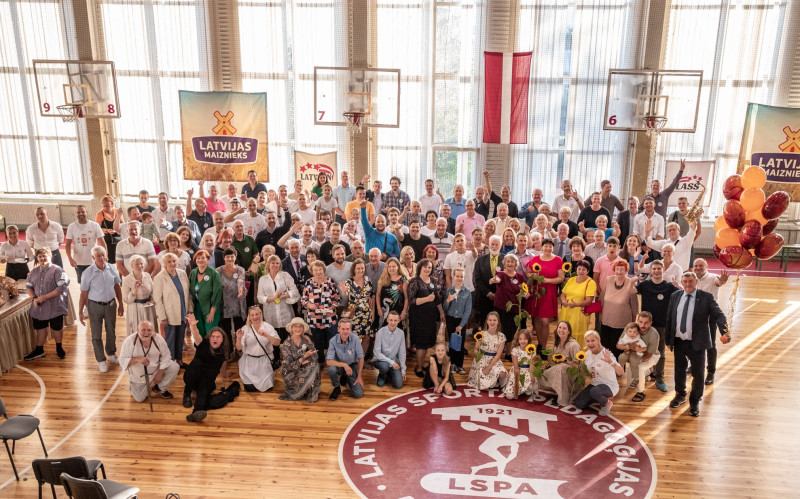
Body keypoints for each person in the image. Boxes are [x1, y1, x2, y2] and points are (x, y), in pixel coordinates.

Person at [665, 271, 729, 417]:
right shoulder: (675, 296)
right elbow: (670, 317)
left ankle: (694, 401)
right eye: (685, 281)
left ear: (696, 282)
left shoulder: (706, 297)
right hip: (679, 341)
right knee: (679, 370)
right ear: (682, 282)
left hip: (698, 342)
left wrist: (725, 331)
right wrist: (668, 339)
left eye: (690, 281)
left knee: (698, 374)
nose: (687, 284)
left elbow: (719, 315)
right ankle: (680, 394)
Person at [184, 314, 239, 422]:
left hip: (206, 380)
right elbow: (196, 336)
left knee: (203, 393)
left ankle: (196, 413)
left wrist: (224, 374)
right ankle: (187, 393)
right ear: (210, 338)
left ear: (223, 339)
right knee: (196, 363)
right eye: (213, 336)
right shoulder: (203, 344)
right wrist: (193, 326)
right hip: (192, 377)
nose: (215, 338)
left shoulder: (223, 352)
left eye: (218, 337)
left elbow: (223, 363)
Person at [77, 246, 123, 372]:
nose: (102, 258)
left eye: (103, 255)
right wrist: (80, 311)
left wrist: (121, 305)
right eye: (98, 256)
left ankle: (111, 354)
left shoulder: (112, 268)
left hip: (111, 305)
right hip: (94, 306)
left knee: (111, 331)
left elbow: (117, 287)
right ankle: (101, 360)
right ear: (93, 258)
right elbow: (83, 294)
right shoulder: (88, 273)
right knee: (96, 335)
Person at [636, 259, 678, 393]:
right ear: (650, 271)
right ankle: (644, 373)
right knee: (642, 350)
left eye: (658, 269)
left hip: (661, 325)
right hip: (644, 325)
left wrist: (680, 286)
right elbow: (631, 291)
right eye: (653, 269)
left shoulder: (669, 286)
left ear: (663, 270)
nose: (656, 271)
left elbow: (680, 297)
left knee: (659, 353)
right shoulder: (644, 285)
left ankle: (659, 379)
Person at [24, 248, 69, 361]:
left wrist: (44, 297)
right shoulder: (33, 272)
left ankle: (59, 348)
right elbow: (28, 287)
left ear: (51, 256)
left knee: (57, 328)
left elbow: (62, 287)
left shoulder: (57, 270)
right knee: (40, 328)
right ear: (37, 258)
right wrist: (34, 298)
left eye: (44, 256)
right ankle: (39, 350)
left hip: (55, 306)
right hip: (39, 307)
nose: (42, 258)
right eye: (40, 256)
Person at [120, 320, 180, 402]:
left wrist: (160, 373)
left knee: (174, 366)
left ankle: (159, 388)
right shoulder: (130, 341)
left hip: (155, 369)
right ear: (137, 330)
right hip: (139, 375)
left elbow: (166, 356)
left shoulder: (158, 339)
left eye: (149, 330)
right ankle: (134, 386)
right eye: (143, 330)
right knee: (139, 399)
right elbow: (122, 360)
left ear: (153, 331)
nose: (146, 333)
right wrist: (137, 359)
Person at [693, 258, 730, 385]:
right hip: (695, 316)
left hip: (709, 316)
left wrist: (723, 281)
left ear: (707, 266)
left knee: (710, 345)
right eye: (696, 266)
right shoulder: (692, 279)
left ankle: (711, 372)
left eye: (700, 266)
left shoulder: (713, 277)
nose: (698, 268)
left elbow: (719, 282)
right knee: (693, 343)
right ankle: (694, 366)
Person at [407, 258, 445, 377]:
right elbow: (411, 301)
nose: (427, 269)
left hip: (431, 316)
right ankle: (418, 368)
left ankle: (422, 363)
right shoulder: (414, 282)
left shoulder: (432, 281)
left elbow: (437, 299)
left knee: (427, 343)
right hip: (419, 318)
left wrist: (441, 312)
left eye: (429, 267)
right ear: (420, 268)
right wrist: (427, 299)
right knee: (421, 344)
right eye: (425, 267)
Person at [152, 252, 191, 367]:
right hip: (169, 315)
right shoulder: (159, 277)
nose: (172, 263)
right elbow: (157, 299)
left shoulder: (182, 274)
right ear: (164, 264)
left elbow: (188, 294)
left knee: (180, 338)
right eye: (169, 261)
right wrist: (162, 317)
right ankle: (169, 364)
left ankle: (179, 361)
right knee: (170, 340)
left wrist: (189, 311)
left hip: (182, 312)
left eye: (174, 261)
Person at [525, 239, 564, 354]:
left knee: (545, 321)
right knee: (537, 318)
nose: (547, 249)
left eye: (550, 247)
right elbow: (527, 272)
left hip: (549, 293)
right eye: (545, 246)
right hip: (536, 292)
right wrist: (533, 275)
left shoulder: (557, 259)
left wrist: (547, 280)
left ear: (553, 248)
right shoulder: (535, 259)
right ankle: (539, 344)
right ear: (542, 247)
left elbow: (561, 277)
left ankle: (544, 346)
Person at [572, 330, 623, 416]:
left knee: (595, 391)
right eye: (588, 341)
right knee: (578, 403)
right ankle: (600, 397)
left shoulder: (607, 354)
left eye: (593, 340)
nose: (590, 343)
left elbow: (621, 372)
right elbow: (585, 371)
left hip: (609, 385)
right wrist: (572, 364)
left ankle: (606, 403)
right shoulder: (586, 355)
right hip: (595, 384)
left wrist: (610, 362)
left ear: (598, 340)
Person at [302, 260, 341, 363]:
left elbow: (337, 298)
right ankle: (320, 361)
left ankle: (332, 359)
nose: (318, 272)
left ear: (324, 270)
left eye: (320, 269)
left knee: (333, 340)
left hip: (330, 317)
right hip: (315, 318)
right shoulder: (308, 283)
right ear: (312, 271)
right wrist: (309, 304)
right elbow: (303, 300)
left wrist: (331, 308)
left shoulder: (330, 281)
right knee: (318, 341)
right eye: (315, 270)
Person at [598, 260, 639, 357]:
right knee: (605, 348)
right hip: (606, 321)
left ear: (626, 271)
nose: (619, 272)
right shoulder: (609, 280)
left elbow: (634, 306)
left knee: (618, 351)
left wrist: (633, 324)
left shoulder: (630, 282)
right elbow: (602, 298)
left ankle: (619, 371)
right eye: (617, 269)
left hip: (622, 324)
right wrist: (600, 314)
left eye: (622, 270)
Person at [617, 312, 660, 402]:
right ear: (637, 321)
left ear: (650, 323)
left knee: (639, 367)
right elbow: (619, 344)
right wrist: (628, 348)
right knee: (630, 385)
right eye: (640, 322)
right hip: (634, 355)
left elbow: (649, 355)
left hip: (652, 355)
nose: (642, 325)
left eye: (646, 323)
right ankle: (647, 372)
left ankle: (641, 392)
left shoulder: (654, 334)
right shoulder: (630, 328)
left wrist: (635, 362)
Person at [236, 306, 280, 392]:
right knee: (250, 388)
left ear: (261, 314)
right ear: (249, 317)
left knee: (267, 388)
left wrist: (266, 335)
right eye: (252, 315)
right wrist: (238, 338)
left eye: (257, 314)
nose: (255, 317)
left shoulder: (268, 327)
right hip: (249, 362)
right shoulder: (245, 328)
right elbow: (239, 348)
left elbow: (277, 342)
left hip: (264, 361)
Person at [539, 321, 583, 406]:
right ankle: (558, 391)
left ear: (569, 331)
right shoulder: (557, 343)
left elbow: (579, 367)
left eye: (564, 328)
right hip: (561, 373)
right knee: (541, 376)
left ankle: (563, 399)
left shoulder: (574, 345)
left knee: (562, 367)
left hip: (574, 375)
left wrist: (565, 361)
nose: (561, 330)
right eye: (559, 327)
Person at [258, 254, 300, 342]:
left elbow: (295, 292)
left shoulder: (285, 275)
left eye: (277, 263)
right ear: (268, 264)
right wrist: (273, 297)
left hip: (285, 312)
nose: (275, 265)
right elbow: (260, 298)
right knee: (273, 340)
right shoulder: (263, 279)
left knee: (287, 339)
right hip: (270, 313)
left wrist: (283, 296)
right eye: (273, 263)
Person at [218, 248, 247, 372]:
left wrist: (241, 291)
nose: (230, 259)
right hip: (224, 304)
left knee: (239, 328)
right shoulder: (218, 270)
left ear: (235, 257)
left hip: (238, 303)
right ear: (224, 258)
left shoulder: (240, 269)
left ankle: (239, 351)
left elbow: (241, 282)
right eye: (227, 256)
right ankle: (229, 352)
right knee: (226, 330)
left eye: (232, 256)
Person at [490, 254, 527, 352]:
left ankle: (508, 352)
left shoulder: (520, 276)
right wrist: (494, 280)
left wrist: (526, 294)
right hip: (502, 307)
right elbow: (497, 279)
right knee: (503, 330)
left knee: (512, 331)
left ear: (516, 264)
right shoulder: (501, 274)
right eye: (508, 261)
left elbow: (524, 289)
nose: (510, 263)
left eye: (512, 262)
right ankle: (500, 351)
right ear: (504, 263)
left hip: (515, 308)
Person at [278, 317, 321, 402]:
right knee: (310, 366)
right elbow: (289, 365)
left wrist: (304, 361)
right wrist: (304, 358)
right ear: (291, 329)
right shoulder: (287, 343)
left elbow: (315, 356)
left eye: (300, 326)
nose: (298, 329)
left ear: (303, 328)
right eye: (295, 326)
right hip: (290, 371)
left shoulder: (306, 339)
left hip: (303, 366)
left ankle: (309, 393)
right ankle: (298, 393)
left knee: (315, 365)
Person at [558, 260, 596, 346]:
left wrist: (575, 304)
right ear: (576, 269)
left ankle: (578, 355)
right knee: (564, 332)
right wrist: (563, 301)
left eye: (583, 269)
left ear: (588, 271)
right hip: (566, 312)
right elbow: (563, 294)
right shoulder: (571, 280)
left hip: (580, 314)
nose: (581, 271)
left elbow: (589, 301)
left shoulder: (591, 283)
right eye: (579, 269)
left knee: (577, 334)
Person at [344, 259, 375, 361]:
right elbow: (345, 294)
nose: (360, 270)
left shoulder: (368, 280)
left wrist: (373, 311)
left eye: (362, 268)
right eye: (358, 268)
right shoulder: (349, 282)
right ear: (354, 269)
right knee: (352, 338)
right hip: (354, 315)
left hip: (366, 313)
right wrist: (344, 291)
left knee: (366, 337)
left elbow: (372, 296)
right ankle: (351, 360)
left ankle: (360, 360)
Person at [467, 311, 507, 390]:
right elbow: (476, 348)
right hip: (482, 360)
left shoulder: (501, 336)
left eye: (494, 320)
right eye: (490, 320)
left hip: (494, 360)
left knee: (503, 374)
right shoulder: (481, 334)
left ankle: (496, 379)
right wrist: (477, 355)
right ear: (487, 321)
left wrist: (489, 367)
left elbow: (498, 355)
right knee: (485, 387)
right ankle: (492, 381)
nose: (492, 322)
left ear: (498, 322)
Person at [65, 205, 106, 283]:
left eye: (83, 212)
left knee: (96, 283)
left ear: (86, 212)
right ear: (76, 214)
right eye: (78, 212)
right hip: (78, 262)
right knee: (83, 285)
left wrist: (105, 256)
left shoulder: (95, 225)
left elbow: (102, 243)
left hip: (94, 261)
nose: (81, 214)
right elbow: (67, 245)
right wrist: (70, 259)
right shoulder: (71, 226)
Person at [442, 267, 472, 375]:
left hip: (461, 320)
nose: (459, 278)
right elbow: (445, 307)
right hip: (450, 319)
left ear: (464, 277)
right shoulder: (449, 291)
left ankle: (460, 365)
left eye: (461, 276)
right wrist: (448, 301)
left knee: (460, 343)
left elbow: (468, 310)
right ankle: (453, 364)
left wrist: (461, 324)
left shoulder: (467, 292)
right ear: (453, 276)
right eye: (457, 276)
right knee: (452, 342)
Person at [326, 319, 364, 400]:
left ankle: (346, 377)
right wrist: (344, 365)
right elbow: (328, 361)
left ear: (350, 329)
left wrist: (359, 376)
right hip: (339, 366)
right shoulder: (332, 341)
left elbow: (361, 357)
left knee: (358, 394)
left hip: (351, 366)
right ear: (338, 329)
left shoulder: (355, 339)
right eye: (343, 329)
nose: (345, 331)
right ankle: (337, 387)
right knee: (331, 369)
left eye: (347, 329)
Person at [121, 255, 157, 337]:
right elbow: (126, 300)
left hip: (149, 308)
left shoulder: (147, 276)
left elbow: (153, 291)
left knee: (150, 330)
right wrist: (134, 291)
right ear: (131, 266)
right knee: (137, 331)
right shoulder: (127, 279)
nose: (140, 266)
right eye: (137, 264)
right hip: (135, 309)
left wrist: (152, 300)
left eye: (141, 263)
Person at [189, 250, 222, 338]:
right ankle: (203, 351)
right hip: (197, 308)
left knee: (210, 334)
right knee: (200, 333)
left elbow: (217, 293)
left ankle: (212, 351)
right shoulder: (193, 273)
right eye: (198, 258)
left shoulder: (214, 273)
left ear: (208, 259)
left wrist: (212, 313)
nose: (200, 260)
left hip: (210, 308)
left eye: (203, 258)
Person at [370, 310, 405, 388]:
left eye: (395, 320)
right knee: (384, 366)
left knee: (398, 385)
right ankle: (382, 375)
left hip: (393, 361)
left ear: (399, 321)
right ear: (387, 320)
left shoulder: (401, 333)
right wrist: (391, 362)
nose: (393, 323)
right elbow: (377, 353)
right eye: (391, 320)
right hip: (380, 361)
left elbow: (402, 352)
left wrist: (403, 370)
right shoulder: (380, 332)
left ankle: (389, 373)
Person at [473, 235, 502, 328]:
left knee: (500, 321)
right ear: (488, 245)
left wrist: (498, 294)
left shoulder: (506, 260)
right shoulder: (480, 260)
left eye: (497, 244)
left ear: (500, 246)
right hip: (485, 296)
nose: (494, 247)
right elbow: (477, 278)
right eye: (492, 244)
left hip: (501, 296)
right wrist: (488, 293)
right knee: (485, 321)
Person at [375, 257, 409, 327]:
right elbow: (378, 294)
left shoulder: (403, 280)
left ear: (398, 267)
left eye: (393, 266)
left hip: (398, 313)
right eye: (389, 267)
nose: (391, 268)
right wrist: (378, 308)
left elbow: (406, 298)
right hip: (384, 312)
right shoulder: (382, 279)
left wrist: (404, 312)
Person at [502, 329, 536, 400]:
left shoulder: (532, 350)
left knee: (531, 389)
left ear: (528, 339)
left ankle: (526, 389)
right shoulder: (515, 350)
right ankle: (517, 389)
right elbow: (516, 368)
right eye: (520, 339)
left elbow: (532, 366)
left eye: (525, 339)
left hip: (527, 372)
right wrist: (516, 384)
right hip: (517, 373)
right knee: (509, 396)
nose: (523, 341)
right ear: (517, 340)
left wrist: (532, 376)